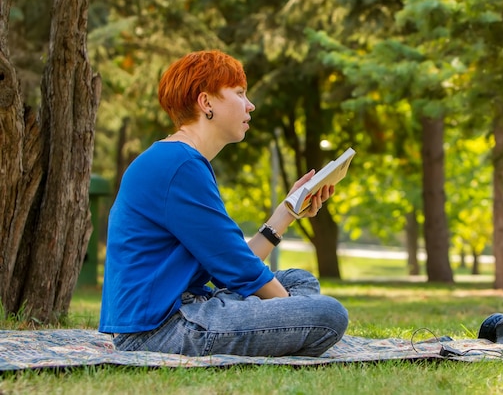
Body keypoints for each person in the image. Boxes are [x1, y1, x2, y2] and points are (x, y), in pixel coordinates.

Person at [99, 50, 349, 357]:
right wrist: (290, 314)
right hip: (158, 330)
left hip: (185, 309)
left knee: (300, 279)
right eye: (240, 94)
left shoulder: (178, 159)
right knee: (329, 315)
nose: (250, 105)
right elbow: (240, 268)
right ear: (206, 103)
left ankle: (286, 326)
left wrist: (287, 212)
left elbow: (229, 261)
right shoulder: (179, 164)